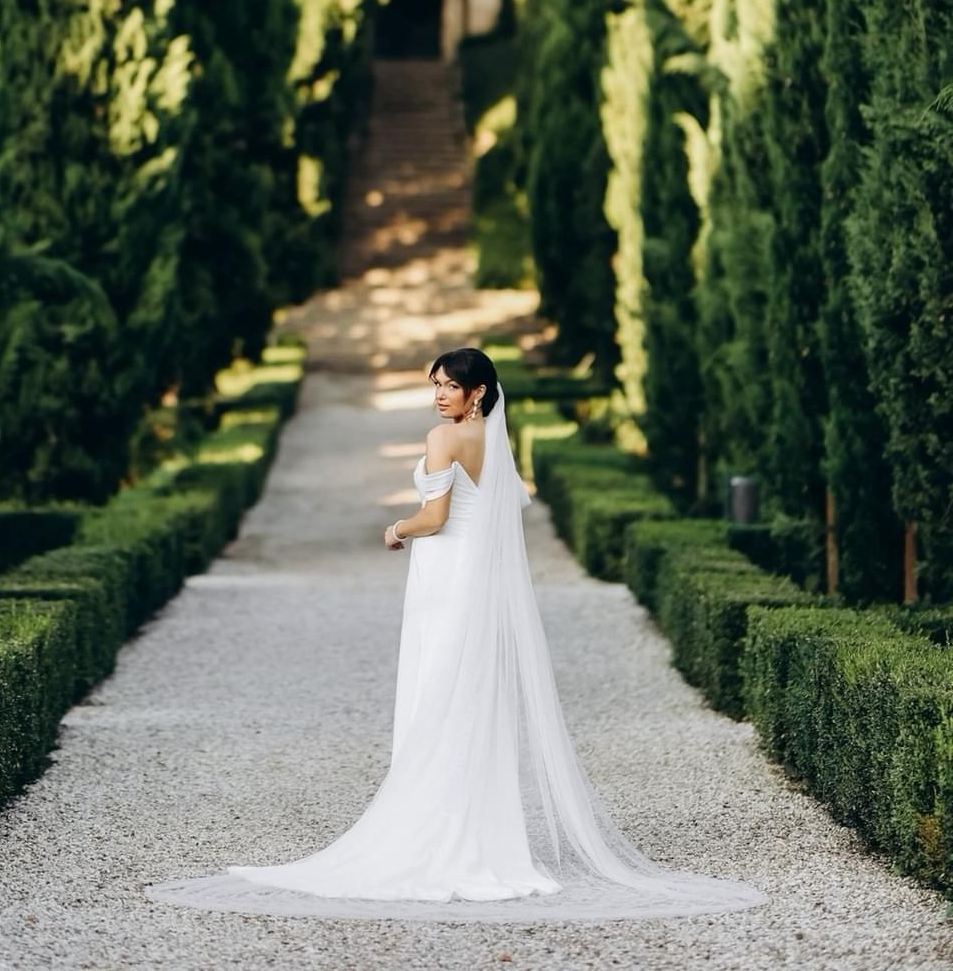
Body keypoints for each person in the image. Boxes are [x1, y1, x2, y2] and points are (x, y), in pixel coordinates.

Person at [144, 346, 768, 925]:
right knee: (468, 697)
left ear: (478, 393)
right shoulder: (494, 444)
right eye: (436, 385)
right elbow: (503, 507)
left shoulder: (443, 438)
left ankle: (430, 834)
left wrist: (397, 528)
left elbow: (437, 516)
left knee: (436, 692)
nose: (440, 394)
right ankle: (477, 837)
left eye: (451, 386)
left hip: (445, 576)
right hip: (477, 577)